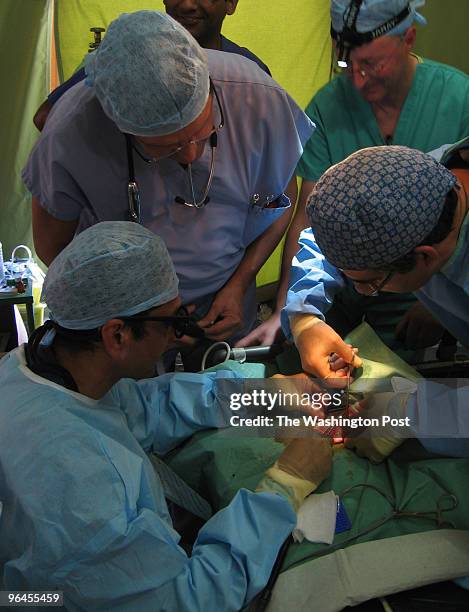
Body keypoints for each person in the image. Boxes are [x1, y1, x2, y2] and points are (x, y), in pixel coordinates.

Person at [0, 221, 332, 609]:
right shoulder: (84, 494)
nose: (181, 335)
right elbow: (190, 601)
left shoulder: (39, 366)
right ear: (117, 336)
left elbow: (143, 408)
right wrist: (284, 487)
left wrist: (260, 395)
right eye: (174, 322)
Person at [23, 11, 313, 352]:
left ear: (211, 86)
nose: (190, 156)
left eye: (203, 133)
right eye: (165, 148)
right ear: (120, 127)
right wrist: (140, 318)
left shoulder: (257, 98)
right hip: (129, 326)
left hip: (226, 311)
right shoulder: (70, 133)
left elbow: (281, 201)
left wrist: (240, 281)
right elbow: (53, 250)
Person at [245, 0, 469, 352]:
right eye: (348, 65)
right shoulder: (423, 178)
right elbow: (327, 230)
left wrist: (436, 306)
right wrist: (301, 315)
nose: (359, 79)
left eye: (373, 64)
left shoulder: (457, 98)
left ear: (409, 38)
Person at [283, 143, 469, 461]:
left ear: (426, 258)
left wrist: (411, 414)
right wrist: (305, 316)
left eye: (369, 285)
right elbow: (330, 236)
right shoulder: (418, 179)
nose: (364, 290)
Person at [33, 0, 270, 132]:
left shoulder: (250, 73)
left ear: (231, 3)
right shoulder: (127, 54)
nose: (187, 4)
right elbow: (46, 118)